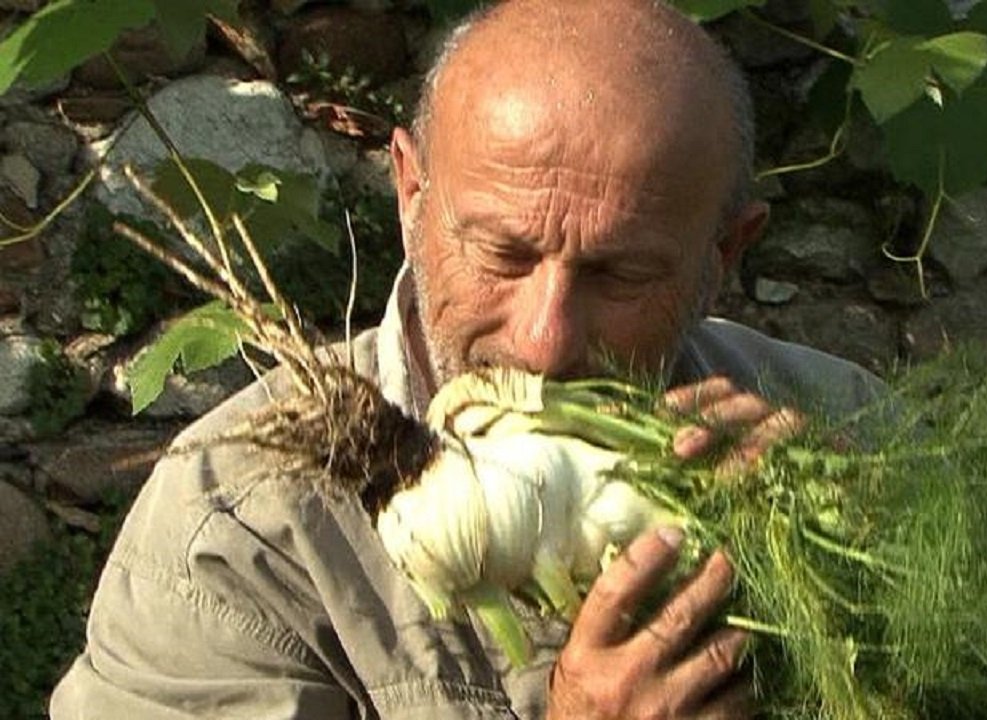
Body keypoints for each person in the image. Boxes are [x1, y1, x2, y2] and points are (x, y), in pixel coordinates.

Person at [51, 0, 884, 717]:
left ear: (725, 253)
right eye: (501, 255)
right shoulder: (241, 531)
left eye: (622, 272)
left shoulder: (847, 437)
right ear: (411, 192)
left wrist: (858, 593)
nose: (544, 340)